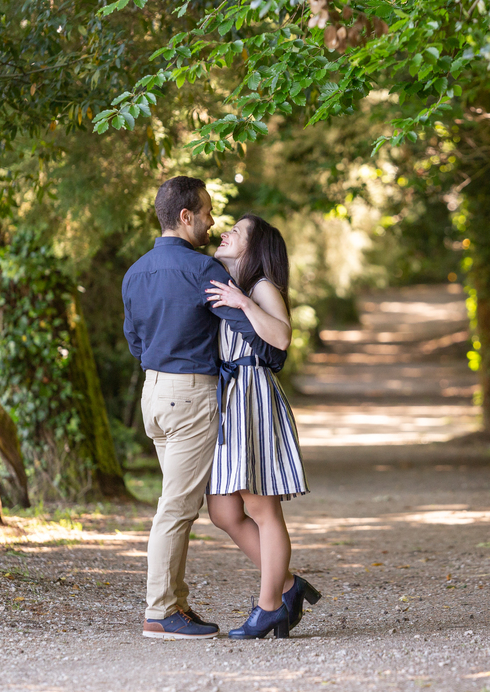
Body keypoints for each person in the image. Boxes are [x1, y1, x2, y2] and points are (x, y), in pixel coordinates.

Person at [122, 178, 285, 640]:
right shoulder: (200, 270)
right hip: (190, 396)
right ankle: (161, 612)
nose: (213, 223)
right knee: (176, 509)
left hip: (153, 396)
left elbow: (136, 342)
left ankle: (180, 603)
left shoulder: (134, 273)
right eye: (208, 213)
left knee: (181, 502)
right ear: (186, 216)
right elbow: (252, 332)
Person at [204, 214, 320, 640]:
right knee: (222, 510)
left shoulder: (261, 287)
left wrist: (246, 305)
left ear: (255, 247)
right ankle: (289, 584)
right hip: (229, 398)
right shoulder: (225, 282)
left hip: (253, 396)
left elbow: (283, 337)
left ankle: (269, 606)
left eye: (237, 230)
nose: (225, 232)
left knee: (262, 509)